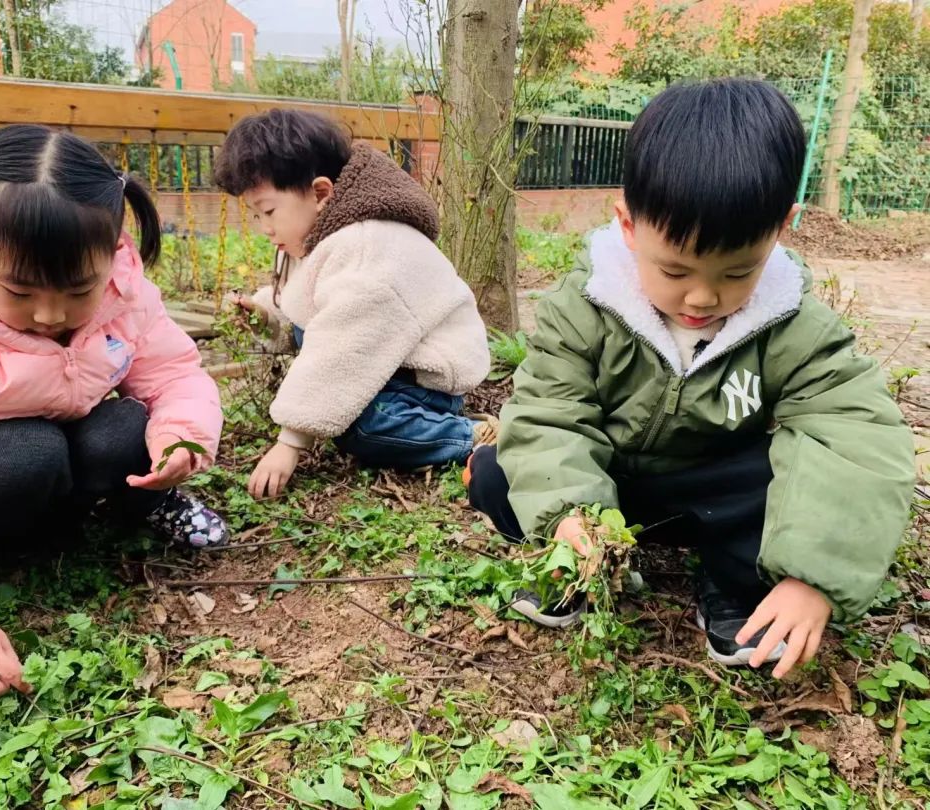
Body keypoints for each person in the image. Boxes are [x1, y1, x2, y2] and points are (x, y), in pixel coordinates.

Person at [467, 79, 915, 679]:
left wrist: (814, 575)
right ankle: (582, 560)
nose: (702, 297)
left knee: (774, 477)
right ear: (628, 224)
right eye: (674, 269)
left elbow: (853, 432)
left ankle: (735, 586)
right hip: (619, 486)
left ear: (782, 226)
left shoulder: (795, 323)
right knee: (500, 473)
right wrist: (576, 514)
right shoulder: (586, 303)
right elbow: (550, 408)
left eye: (738, 272)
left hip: (717, 500)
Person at [0, 125, 228, 703]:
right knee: (26, 451)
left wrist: (181, 437)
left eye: (79, 291)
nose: (51, 314)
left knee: (128, 426)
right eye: (20, 293)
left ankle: (144, 506)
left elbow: (174, 373)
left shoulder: (126, 295)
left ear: (114, 252)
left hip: (64, 472)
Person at [214, 109, 495, 499]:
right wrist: (265, 316)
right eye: (256, 214)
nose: (265, 227)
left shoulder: (365, 247)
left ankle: (470, 435)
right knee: (342, 398)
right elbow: (307, 304)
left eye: (269, 211)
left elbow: (340, 346)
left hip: (426, 376)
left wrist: (291, 441)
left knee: (360, 426)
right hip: (386, 357)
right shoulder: (320, 230)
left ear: (320, 193)